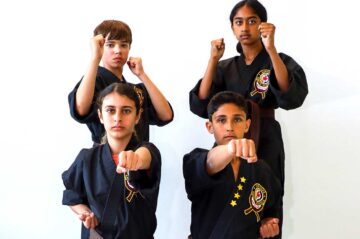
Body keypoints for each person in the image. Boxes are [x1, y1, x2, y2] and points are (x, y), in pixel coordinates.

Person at [189, 0, 308, 235]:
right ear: (232, 27)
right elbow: (201, 102)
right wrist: (213, 59)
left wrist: (271, 48)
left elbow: (289, 95)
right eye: (238, 22)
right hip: (229, 138)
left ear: (264, 25)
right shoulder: (225, 65)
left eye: (252, 21)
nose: (245, 28)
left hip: (265, 135)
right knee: (224, 190)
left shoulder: (278, 60)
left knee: (266, 192)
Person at [62, 83, 161, 238]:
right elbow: (72, 195)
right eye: (110, 110)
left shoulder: (148, 152)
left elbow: (145, 157)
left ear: (137, 116)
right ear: (100, 116)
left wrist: (135, 159)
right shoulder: (87, 158)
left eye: (126, 110)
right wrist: (85, 213)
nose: (117, 118)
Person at [183, 91, 282, 239]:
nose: (229, 127)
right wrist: (230, 149)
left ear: (247, 125)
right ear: (210, 126)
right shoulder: (195, 160)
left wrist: (268, 224)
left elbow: (271, 210)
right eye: (221, 120)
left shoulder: (262, 170)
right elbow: (209, 163)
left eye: (237, 119)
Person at [69, 20, 173, 145]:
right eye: (110, 45)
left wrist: (142, 75)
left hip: (140, 156)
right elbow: (80, 109)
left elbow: (166, 115)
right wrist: (95, 58)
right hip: (106, 156)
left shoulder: (136, 90)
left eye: (124, 45)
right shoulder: (94, 80)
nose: (118, 50)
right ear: (100, 46)